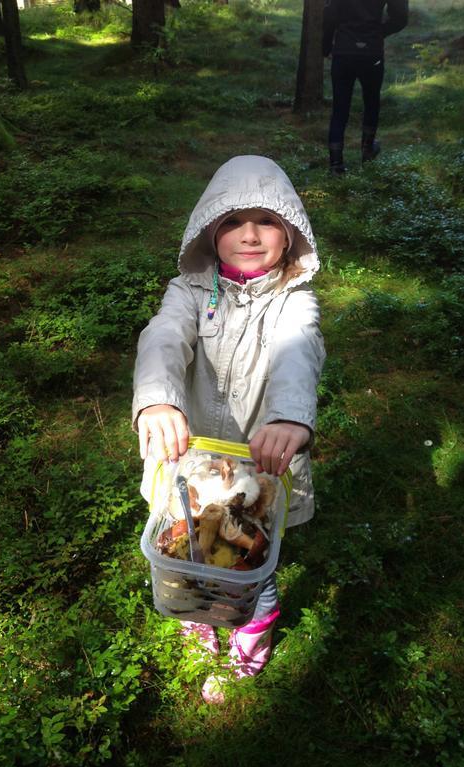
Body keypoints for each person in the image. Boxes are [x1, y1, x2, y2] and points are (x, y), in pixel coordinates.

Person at [132, 155, 325, 703]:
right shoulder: (187, 293)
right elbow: (163, 340)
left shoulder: (295, 303)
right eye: (233, 222)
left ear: (289, 236)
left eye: (267, 222)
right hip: (191, 464)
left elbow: (298, 354)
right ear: (209, 232)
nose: (249, 235)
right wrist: (156, 403)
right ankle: (197, 621)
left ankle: (248, 644)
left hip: (262, 466)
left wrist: (289, 418)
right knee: (188, 547)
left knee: (253, 565)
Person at [323, 0, 409, 175]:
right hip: (372, 51)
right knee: (372, 101)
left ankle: (336, 165)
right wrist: (380, 31)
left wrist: (325, 47)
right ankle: (367, 150)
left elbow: (329, 14)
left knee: (339, 108)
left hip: (343, 50)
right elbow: (401, 16)